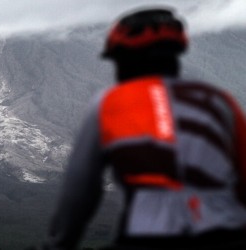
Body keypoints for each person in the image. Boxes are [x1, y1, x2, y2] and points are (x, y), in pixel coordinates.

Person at [42, 7, 246, 250]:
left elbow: (81, 187)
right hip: (230, 232)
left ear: (125, 58)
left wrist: (59, 243)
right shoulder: (219, 101)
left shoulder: (110, 103)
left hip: (151, 233)